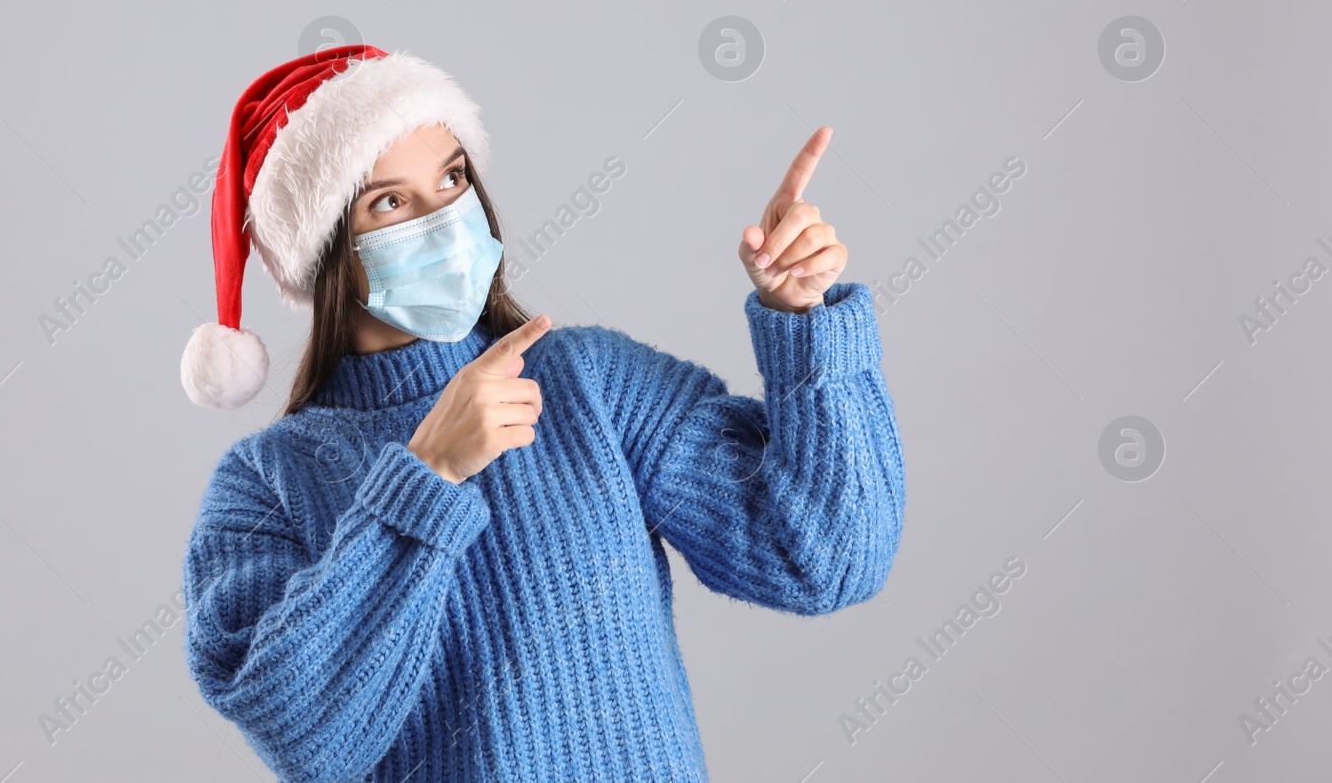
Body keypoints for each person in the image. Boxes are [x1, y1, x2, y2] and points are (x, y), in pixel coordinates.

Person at [178, 44, 905, 782]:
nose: (443, 218)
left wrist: (806, 322)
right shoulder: (266, 482)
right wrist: (425, 478)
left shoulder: (589, 381)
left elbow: (825, 559)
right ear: (326, 247)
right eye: (389, 201)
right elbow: (304, 734)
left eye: (453, 177)